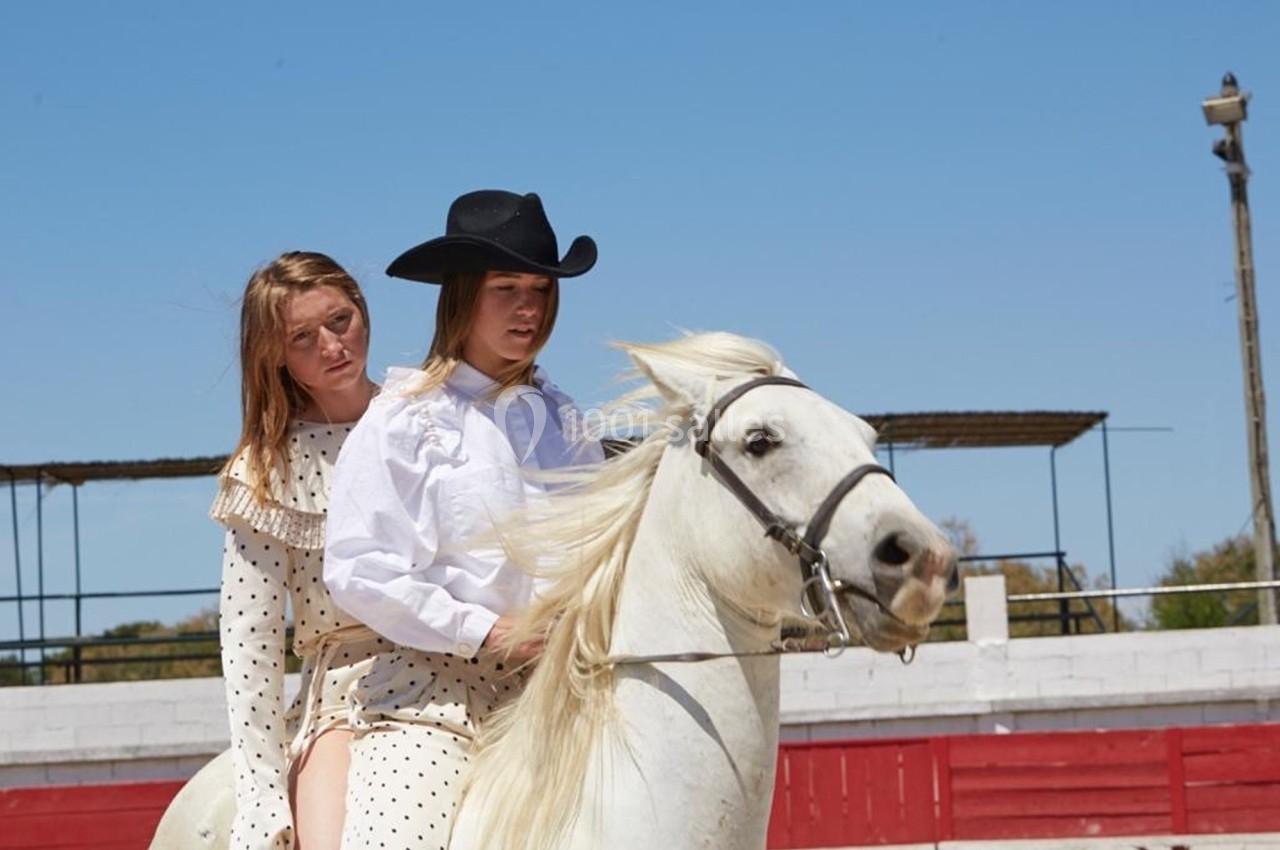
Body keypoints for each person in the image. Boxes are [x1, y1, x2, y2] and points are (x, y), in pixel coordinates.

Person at [322, 190, 603, 850]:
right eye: (506, 287)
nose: (530, 307)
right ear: (462, 296)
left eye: (540, 287)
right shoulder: (404, 416)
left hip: (562, 688)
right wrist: (482, 629)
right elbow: (359, 567)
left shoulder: (566, 422)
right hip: (435, 695)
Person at [211, 251, 381, 850]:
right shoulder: (265, 472)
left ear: (362, 310)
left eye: (340, 320)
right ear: (275, 356)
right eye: (303, 337)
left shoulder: (421, 421)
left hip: (465, 666)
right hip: (345, 697)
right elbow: (250, 641)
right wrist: (260, 794)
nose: (332, 346)